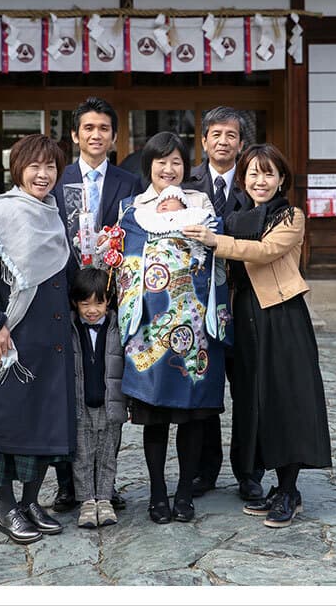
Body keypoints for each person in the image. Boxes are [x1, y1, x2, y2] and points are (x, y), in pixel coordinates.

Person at [182, 144, 332, 529]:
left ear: (281, 179)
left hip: (281, 316)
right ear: (243, 177)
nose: (260, 180)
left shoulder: (290, 216)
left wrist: (216, 242)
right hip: (244, 317)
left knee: (285, 400)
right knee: (255, 402)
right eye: (252, 173)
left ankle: (289, 490)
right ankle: (268, 484)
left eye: (268, 173)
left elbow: (264, 252)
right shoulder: (235, 217)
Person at [0, 134, 75, 545]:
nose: (43, 175)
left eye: (51, 167)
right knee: (8, 427)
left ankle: (31, 501)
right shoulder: (1, 212)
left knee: (45, 425)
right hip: (9, 340)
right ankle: (6, 506)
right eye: (35, 166)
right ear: (19, 169)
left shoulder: (52, 212)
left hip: (51, 342)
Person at [116, 131, 229, 525]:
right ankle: (157, 493)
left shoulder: (204, 207)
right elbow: (124, 267)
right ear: (149, 166)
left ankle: (185, 492)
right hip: (150, 331)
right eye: (161, 162)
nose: (169, 169)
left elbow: (217, 262)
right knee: (156, 417)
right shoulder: (131, 209)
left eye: (177, 162)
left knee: (193, 416)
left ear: (186, 166)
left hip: (196, 330)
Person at [51, 96, 142, 512]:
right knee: (66, 390)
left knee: (107, 392)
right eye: (88, 128)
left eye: (103, 128)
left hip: (110, 300)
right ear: (75, 135)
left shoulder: (129, 183)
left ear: (114, 136)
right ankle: (68, 483)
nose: (96, 135)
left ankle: (107, 483)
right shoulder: (57, 179)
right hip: (65, 298)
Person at [185, 106, 264, 501]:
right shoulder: (185, 183)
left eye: (230, 135)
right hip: (198, 306)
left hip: (243, 302)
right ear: (203, 141)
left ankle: (249, 472)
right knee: (204, 388)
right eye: (215, 134)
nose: (222, 141)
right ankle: (205, 469)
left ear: (241, 143)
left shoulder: (255, 184)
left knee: (247, 390)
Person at [69, 267, 128, 529]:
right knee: (82, 455)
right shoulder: (70, 329)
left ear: (109, 301)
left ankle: (104, 499)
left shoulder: (119, 327)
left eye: (99, 303)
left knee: (107, 454)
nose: (92, 310)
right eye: (85, 304)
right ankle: (86, 502)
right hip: (80, 403)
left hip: (111, 402)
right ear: (76, 303)